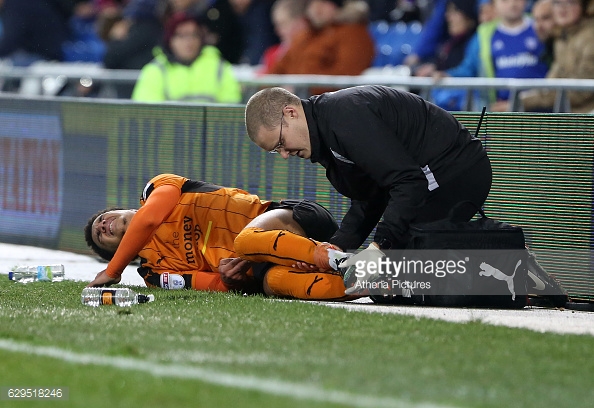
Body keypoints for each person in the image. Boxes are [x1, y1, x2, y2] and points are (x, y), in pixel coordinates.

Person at [244, 86, 492, 268]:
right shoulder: (325, 130)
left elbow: (408, 181)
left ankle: (507, 258)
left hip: (456, 170)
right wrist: (338, 246)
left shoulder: (344, 116)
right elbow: (369, 196)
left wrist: (380, 246)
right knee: (386, 277)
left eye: (280, 143)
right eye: (276, 151)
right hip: (431, 175)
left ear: (291, 113)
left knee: (401, 275)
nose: (285, 155)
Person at [85, 173, 353, 300]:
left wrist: (113, 271)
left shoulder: (156, 187)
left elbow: (150, 219)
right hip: (267, 267)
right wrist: (230, 279)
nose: (102, 226)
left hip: (294, 218)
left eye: (101, 219)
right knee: (273, 283)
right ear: (118, 250)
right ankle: (373, 279)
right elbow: (218, 285)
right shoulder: (155, 275)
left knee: (246, 241)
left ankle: (333, 259)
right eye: (101, 236)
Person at [434, 0, 550, 112]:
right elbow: (469, 68)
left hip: (541, 110)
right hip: (501, 112)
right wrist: (448, 74)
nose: (512, 3)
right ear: (495, 4)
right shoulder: (484, 35)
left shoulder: (541, 25)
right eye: (505, 0)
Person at [268, 0, 375, 95]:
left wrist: (302, 88)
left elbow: (346, 77)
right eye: (312, 3)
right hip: (298, 103)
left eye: (323, 3)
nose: (316, 9)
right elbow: (277, 69)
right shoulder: (307, 35)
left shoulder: (353, 33)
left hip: (325, 106)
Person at [131, 11, 241, 103]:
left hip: (212, 129)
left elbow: (230, 109)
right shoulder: (155, 70)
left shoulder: (219, 66)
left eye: (194, 35)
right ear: (170, 40)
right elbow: (147, 113)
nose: (189, 41)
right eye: (182, 35)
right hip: (170, 129)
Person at [520, 0, 594, 113]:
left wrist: (526, 100)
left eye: (570, 2)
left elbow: (582, 91)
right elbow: (552, 82)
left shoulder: (590, 37)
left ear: (584, 6)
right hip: (571, 119)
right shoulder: (562, 38)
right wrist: (524, 99)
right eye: (557, 3)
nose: (562, 8)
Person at [414, 0, 479, 111]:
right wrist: (434, 68)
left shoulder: (476, 42)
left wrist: (446, 75)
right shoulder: (450, 44)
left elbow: (468, 70)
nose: (448, 17)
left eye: (454, 12)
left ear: (467, 15)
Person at [102, 0, 165, 98]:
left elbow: (110, 59)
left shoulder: (143, 29)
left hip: (135, 91)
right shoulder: (154, 29)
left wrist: (116, 39)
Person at [259, 0, 309, 73]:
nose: (277, 30)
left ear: (302, 22)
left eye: (283, 24)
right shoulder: (271, 55)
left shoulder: (315, 52)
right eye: (276, 25)